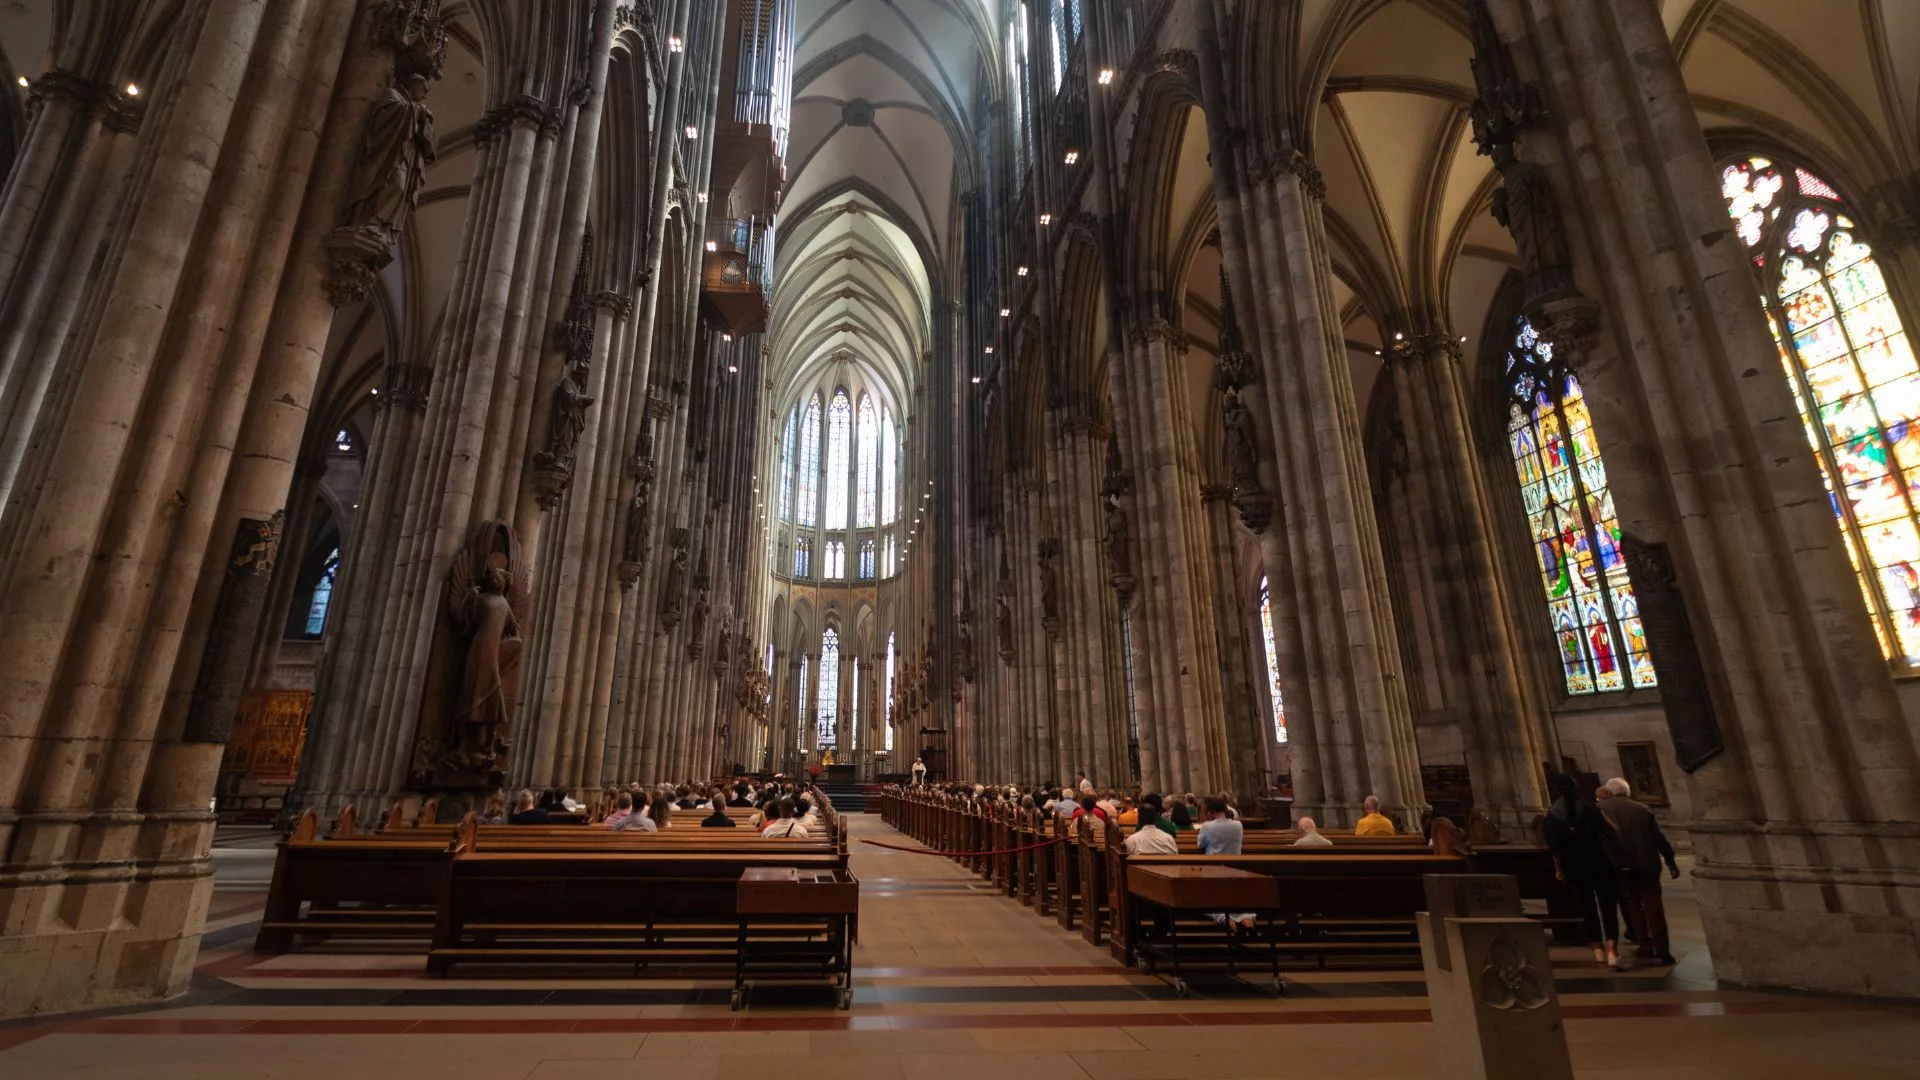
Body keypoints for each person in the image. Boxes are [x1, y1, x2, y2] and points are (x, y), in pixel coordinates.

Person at [1544, 772, 1623, 968]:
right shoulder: (1589, 808)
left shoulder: (1553, 814)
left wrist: (1558, 870)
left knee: (1587, 908)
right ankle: (1613, 951)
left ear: (1556, 790)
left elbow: (1555, 848)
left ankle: (1598, 951)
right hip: (1598, 862)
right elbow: (1612, 830)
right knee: (1608, 907)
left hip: (1574, 866)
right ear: (1576, 787)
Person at [1598, 777, 1680, 966]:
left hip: (1619, 864)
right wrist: (1670, 860)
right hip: (1646, 863)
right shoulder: (1641, 809)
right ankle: (1662, 948)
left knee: (1632, 903)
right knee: (1653, 905)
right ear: (1627, 792)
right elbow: (1658, 838)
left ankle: (1644, 943)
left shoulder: (1600, 809)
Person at [1196, 796, 1254, 931]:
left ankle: (1224, 919)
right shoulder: (1238, 825)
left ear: (1210, 812)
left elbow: (1200, 844)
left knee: (1208, 899)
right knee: (1238, 899)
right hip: (1236, 869)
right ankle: (1247, 920)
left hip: (1214, 871)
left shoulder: (1207, 826)